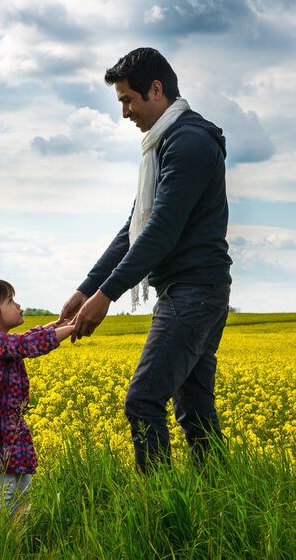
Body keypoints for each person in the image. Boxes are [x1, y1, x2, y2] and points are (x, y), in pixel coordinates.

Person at [59, 47, 232, 471]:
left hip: (194, 292)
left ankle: (158, 507)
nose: (125, 113)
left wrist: (107, 295)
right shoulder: (166, 142)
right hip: (195, 289)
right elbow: (133, 227)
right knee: (194, 411)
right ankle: (217, 497)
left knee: (143, 400)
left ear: (156, 90)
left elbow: (161, 231)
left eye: (127, 100)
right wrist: (86, 289)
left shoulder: (188, 141)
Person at [0, 279, 74, 519]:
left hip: (8, 423)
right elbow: (27, 344)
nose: (19, 306)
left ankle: (16, 532)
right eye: (10, 301)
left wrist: (56, 325)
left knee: (22, 483)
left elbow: (26, 339)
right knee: (8, 487)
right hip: (1, 427)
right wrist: (72, 328)